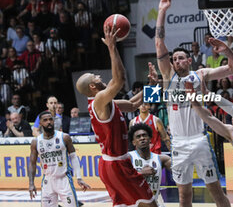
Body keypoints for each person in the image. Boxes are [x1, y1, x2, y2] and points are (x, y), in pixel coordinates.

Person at [155, 0, 233, 207]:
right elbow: (159, 41)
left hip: (200, 140)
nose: (176, 61)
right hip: (178, 143)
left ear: (190, 60)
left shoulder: (200, 75)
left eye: (180, 58)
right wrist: (162, 12)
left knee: (216, 192)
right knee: (184, 196)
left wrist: (227, 50)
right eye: (174, 59)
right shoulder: (169, 77)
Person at [76, 25, 157, 207]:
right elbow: (119, 80)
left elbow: (133, 105)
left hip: (115, 163)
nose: (99, 76)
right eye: (95, 77)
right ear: (92, 87)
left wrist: (152, 86)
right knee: (150, 204)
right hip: (115, 164)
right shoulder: (98, 100)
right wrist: (112, 47)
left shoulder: (105, 103)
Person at [28, 111, 90, 206]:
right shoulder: (36, 142)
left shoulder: (64, 137)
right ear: (40, 123)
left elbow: (73, 157)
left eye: (50, 119)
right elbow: (32, 163)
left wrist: (79, 177)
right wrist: (31, 183)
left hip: (64, 180)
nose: (48, 122)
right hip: (47, 181)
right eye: (45, 120)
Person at [128, 123, 171, 207]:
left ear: (150, 139)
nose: (142, 138)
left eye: (144, 135)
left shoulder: (162, 159)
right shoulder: (128, 158)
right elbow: (120, 180)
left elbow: (180, 171)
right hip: (134, 204)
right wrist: (140, 173)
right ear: (133, 142)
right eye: (138, 137)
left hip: (153, 202)